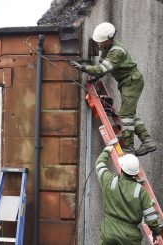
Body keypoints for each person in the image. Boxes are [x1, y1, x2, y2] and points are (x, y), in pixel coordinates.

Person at [70, 22, 156, 156]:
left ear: (109, 39)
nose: (99, 45)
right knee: (130, 114)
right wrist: (95, 77)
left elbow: (103, 68)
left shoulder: (116, 51)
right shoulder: (106, 48)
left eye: (101, 42)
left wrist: (84, 68)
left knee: (126, 116)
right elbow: (102, 66)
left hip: (132, 82)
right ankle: (147, 141)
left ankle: (129, 147)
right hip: (127, 82)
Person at [95, 145, 162, 244]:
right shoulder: (141, 191)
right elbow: (150, 216)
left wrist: (106, 151)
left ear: (121, 168)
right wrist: (156, 233)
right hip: (129, 237)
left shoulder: (109, 180)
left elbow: (99, 165)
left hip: (109, 232)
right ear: (135, 173)